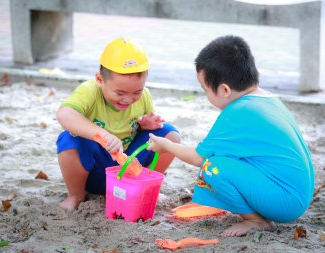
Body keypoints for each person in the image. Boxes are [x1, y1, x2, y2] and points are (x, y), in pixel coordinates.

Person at [147, 35, 315, 237]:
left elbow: (199, 158)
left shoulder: (239, 112)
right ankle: (258, 213)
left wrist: (165, 144)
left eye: (205, 89)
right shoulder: (266, 99)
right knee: (222, 159)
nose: (206, 95)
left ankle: (256, 221)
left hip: (286, 201)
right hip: (297, 193)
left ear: (224, 89)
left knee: (212, 167)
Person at [56, 37, 181, 211]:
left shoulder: (144, 96)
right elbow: (65, 114)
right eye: (120, 92)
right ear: (100, 80)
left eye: (137, 92)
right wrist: (102, 135)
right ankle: (76, 195)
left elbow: (143, 129)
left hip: (130, 168)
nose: (128, 99)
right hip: (95, 171)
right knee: (68, 139)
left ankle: (149, 185)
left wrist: (145, 125)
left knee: (169, 134)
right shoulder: (90, 90)